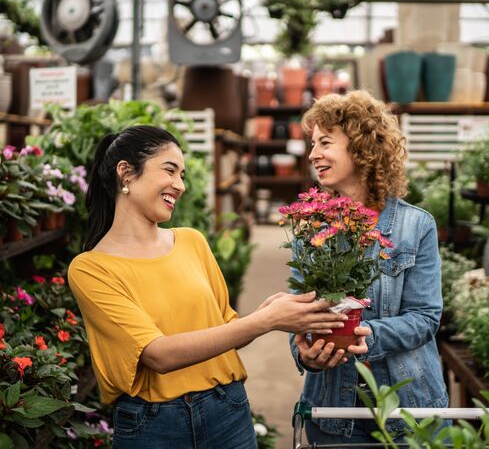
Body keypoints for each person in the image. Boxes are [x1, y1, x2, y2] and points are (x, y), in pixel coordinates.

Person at [67, 125, 349, 448]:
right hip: (154, 427)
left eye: (182, 174)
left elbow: (224, 330)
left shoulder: (192, 242)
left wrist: (268, 314)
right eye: (170, 170)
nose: (181, 185)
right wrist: (266, 321)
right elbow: (157, 355)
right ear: (126, 173)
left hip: (227, 411)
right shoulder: (91, 269)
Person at [289, 90, 448, 444]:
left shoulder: (415, 226)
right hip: (333, 412)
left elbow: (425, 317)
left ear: (361, 148)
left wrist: (368, 337)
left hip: (409, 409)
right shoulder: (309, 227)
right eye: (313, 144)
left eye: (325, 142)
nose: (314, 154)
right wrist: (305, 352)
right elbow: (297, 311)